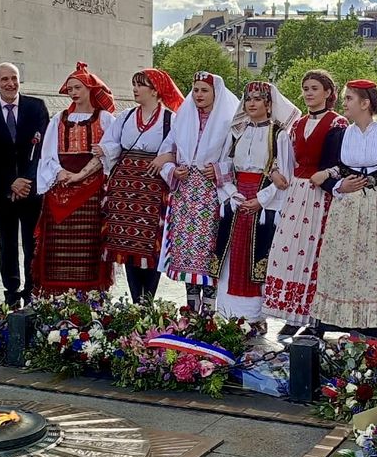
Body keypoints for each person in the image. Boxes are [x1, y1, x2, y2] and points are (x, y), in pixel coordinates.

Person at [311, 80, 377, 338]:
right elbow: (323, 172)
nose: (344, 103)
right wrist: (339, 186)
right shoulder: (339, 136)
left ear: (365, 103)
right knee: (342, 264)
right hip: (345, 209)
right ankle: (342, 323)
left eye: (349, 99)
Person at [262, 69, 346, 335]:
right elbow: (281, 158)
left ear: (328, 93)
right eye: (306, 88)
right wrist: (274, 172)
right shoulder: (295, 125)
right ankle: (293, 312)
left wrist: (329, 175)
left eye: (314, 88)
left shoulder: (337, 123)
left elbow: (342, 162)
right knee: (289, 251)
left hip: (321, 195)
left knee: (315, 254)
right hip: (296, 193)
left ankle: (315, 318)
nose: (309, 93)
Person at [212, 80, 300, 328]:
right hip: (237, 200)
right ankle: (229, 313)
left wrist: (260, 200)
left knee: (258, 256)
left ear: (269, 104)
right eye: (248, 99)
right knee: (232, 255)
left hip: (262, 203)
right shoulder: (238, 132)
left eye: (258, 99)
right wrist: (231, 193)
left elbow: (286, 176)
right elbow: (225, 167)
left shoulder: (279, 135)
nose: (251, 103)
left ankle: (254, 316)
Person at [155, 72, 239, 312]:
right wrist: (173, 170)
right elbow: (166, 152)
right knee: (186, 252)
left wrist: (220, 170)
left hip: (213, 194)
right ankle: (190, 308)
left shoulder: (228, 121)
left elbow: (239, 159)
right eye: (196, 90)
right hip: (184, 194)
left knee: (210, 249)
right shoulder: (183, 118)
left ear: (216, 94)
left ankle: (210, 310)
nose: (199, 95)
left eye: (204, 90)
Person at [100, 68, 185, 302]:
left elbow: (178, 150)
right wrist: (104, 150)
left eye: (141, 85)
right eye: (134, 84)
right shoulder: (126, 116)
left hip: (153, 189)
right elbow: (112, 143)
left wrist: (165, 158)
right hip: (125, 190)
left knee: (150, 247)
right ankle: (137, 299)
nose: (135, 89)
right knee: (128, 246)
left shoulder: (171, 119)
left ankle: (147, 300)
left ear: (155, 90)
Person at [33, 62, 116, 295]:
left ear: (90, 88)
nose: (73, 92)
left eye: (78, 87)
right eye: (70, 88)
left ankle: (90, 294)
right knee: (57, 245)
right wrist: (60, 173)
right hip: (61, 185)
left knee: (89, 243)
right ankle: (57, 295)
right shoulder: (59, 118)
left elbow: (109, 151)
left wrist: (81, 174)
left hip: (93, 188)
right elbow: (47, 152)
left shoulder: (106, 118)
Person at [0, 63, 49, 310]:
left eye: (14, 78)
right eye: (4, 79)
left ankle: (31, 288)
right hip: (2, 189)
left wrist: (25, 180)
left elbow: (43, 148)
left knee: (31, 242)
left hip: (31, 188)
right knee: (7, 242)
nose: (10, 83)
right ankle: (11, 290)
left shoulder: (35, 107)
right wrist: (10, 182)